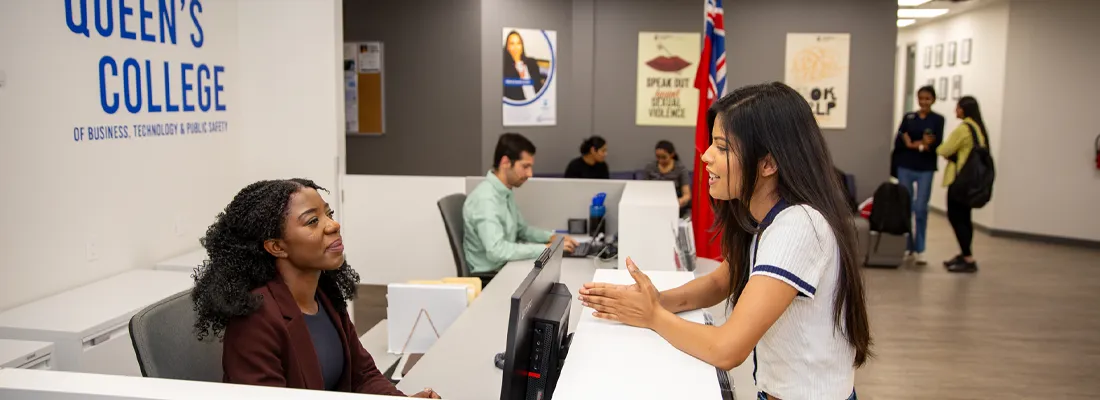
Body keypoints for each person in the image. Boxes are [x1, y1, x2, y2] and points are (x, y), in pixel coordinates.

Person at [577, 83, 870, 400]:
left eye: (722, 147)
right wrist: (653, 300)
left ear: (768, 163)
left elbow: (727, 349)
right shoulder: (768, 218)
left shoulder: (799, 226)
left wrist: (652, 316)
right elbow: (722, 280)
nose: (705, 157)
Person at [191, 179, 440, 398]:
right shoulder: (256, 320)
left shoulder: (325, 295)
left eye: (328, 214)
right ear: (277, 247)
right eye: (312, 221)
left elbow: (362, 376)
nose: (333, 225)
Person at [464, 133, 578, 275]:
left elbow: (521, 230)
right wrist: (546, 248)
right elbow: (497, 251)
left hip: (507, 266)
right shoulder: (485, 199)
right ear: (505, 162)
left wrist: (552, 238)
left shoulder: (504, 192)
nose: (530, 173)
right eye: (525, 166)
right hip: (492, 275)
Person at [892, 85, 945, 265]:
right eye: (921, 98)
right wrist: (918, 144)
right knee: (905, 205)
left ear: (933, 100)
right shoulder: (909, 117)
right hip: (906, 165)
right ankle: (908, 246)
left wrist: (918, 144)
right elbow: (901, 138)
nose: (923, 102)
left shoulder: (938, 119)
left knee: (921, 208)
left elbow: (934, 142)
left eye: (927, 99)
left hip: (926, 168)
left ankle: (921, 248)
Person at [937, 96, 988, 273]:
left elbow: (943, 149)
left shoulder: (963, 129)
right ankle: (965, 253)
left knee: (957, 218)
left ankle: (968, 257)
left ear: (964, 109)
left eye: (957, 108)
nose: (955, 111)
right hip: (970, 184)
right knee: (965, 219)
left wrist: (948, 154)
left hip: (959, 182)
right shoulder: (978, 129)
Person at [643, 140, 692, 217]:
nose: (660, 160)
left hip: (675, 206)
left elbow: (687, 195)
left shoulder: (680, 169)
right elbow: (643, 189)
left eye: (664, 157)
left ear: (672, 154)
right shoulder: (650, 167)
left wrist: (679, 202)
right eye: (658, 157)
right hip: (653, 204)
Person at [503, 30, 544, 101]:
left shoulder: (532, 63)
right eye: (512, 44)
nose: (516, 47)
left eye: (518, 43)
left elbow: (539, 88)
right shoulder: (504, 68)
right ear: (507, 47)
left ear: (522, 46)